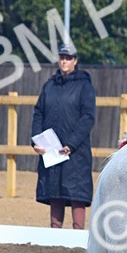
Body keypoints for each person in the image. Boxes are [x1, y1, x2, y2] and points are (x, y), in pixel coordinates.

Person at [31, 44, 96, 229]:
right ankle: (54, 232)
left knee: (77, 194)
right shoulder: (49, 86)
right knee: (54, 192)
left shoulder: (84, 86)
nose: (64, 61)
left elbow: (88, 117)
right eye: (61, 58)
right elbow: (38, 113)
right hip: (52, 150)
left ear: (75, 61)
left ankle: (77, 234)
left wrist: (72, 143)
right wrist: (36, 140)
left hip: (75, 152)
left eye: (68, 58)